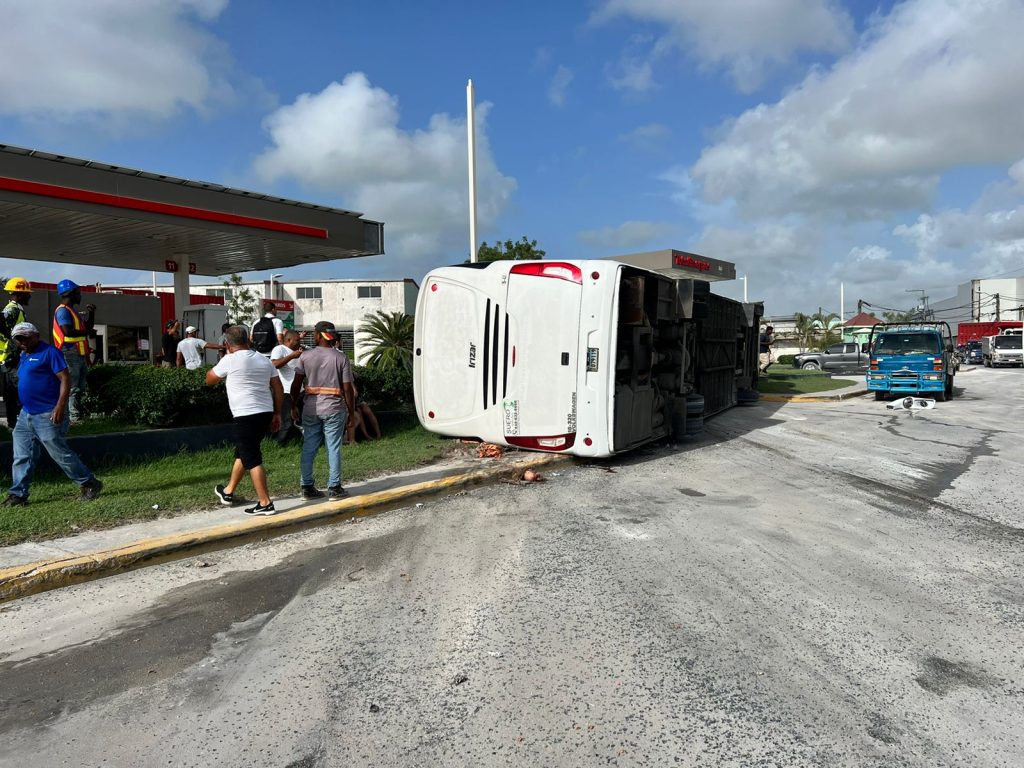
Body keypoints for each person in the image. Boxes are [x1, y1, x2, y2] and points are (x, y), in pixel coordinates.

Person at [2, 323, 103, 507]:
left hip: (48, 413)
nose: (21, 342)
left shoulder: (50, 352)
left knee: (59, 454)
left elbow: (65, 378)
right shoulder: (24, 354)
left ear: (36, 335)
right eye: (18, 339)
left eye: (25, 337)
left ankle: (89, 483)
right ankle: (18, 494)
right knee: (22, 456)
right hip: (26, 415)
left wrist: (60, 407)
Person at [205, 325, 283, 516]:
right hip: (265, 412)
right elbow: (278, 387)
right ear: (248, 340)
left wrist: (225, 356)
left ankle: (265, 503)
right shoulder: (264, 361)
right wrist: (278, 413)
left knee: (252, 458)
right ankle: (228, 491)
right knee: (243, 451)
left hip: (245, 415)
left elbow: (209, 380)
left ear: (227, 343)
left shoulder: (229, 360)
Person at [290, 320, 356, 501]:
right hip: (334, 408)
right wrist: (351, 411)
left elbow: (296, 385)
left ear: (317, 335)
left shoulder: (305, 356)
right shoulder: (340, 357)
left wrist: (293, 405)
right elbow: (348, 389)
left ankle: (307, 487)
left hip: (310, 409)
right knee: (333, 447)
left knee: (309, 447)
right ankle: (334, 488)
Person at [52, 279, 91, 422]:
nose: (80, 296)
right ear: (71, 293)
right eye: (78, 293)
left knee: (80, 386)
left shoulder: (72, 311)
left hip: (78, 353)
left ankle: (77, 414)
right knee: (73, 386)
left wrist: (91, 314)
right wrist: (87, 333)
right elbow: (67, 331)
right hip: (69, 352)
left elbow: (85, 328)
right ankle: (72, 417)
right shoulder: (63, 311)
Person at [0, 277, 32, 428]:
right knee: (20, 390)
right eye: (27, 293)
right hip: (11, 357)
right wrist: (13, 341)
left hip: (10, 357)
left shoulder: (16, 309)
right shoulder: (12, 309)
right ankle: (18, 424)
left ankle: (14, 423)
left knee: (12, 393)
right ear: (20, 294)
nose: (30, 296)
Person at [270, 329, 304, 444]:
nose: (299, 342)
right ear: (289, 340)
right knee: (286, 420)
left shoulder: (298, 351)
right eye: (297, 340)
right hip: (286, 391)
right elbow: (274, 364)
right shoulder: (279, 349)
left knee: (299, 418)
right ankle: (280, 443)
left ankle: (297, 441)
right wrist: (291, 356)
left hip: (299, 390)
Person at [345, 372, 382, 444]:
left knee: (366, 408)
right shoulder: (344, 382)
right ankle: (365, 435)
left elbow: (356, 395)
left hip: (355, 403)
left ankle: (378, 434)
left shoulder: (356, 381)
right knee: (358, 413)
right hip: (348, 405)